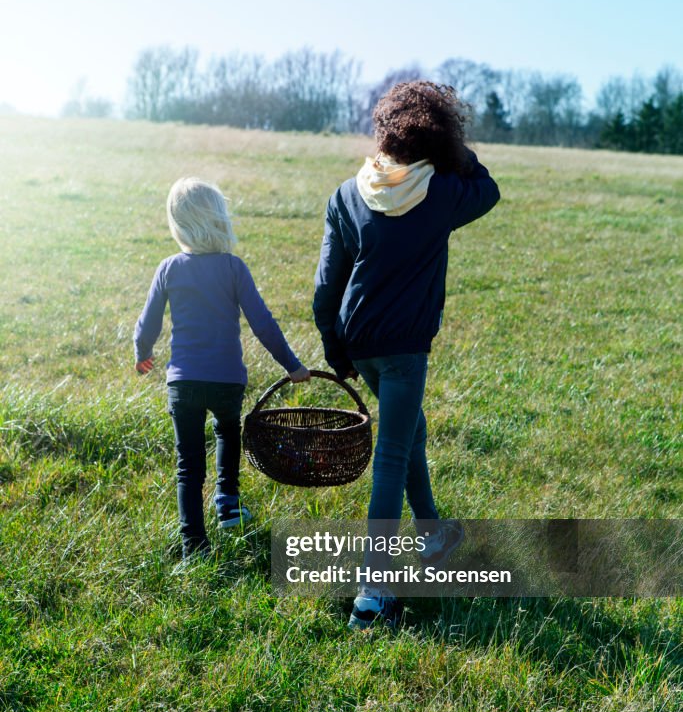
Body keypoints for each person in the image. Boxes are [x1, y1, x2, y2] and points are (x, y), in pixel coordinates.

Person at [313, 81, 500, 629]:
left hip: (360, 344)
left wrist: (335, 349)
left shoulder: (347, 194)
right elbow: (487, 190)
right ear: (437, 139)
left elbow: (327, 288)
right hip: (404, 351)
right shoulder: (440, 192)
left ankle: (433, 534)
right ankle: (373, 593)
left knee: (409, 431)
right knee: (393, 454)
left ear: (383, 132)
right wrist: (457, 154)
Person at [134, 177, 309, 561]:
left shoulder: (169, 268)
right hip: (228, 380)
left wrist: (142, 352)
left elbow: (148, 323)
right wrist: (292, 365)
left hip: (183, 383)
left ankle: (193, 546)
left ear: (177, 224)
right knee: (229, 431)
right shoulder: (233, 268)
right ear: (219, 220)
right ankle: (228, 503)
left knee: (188, 463)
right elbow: (263, 322)